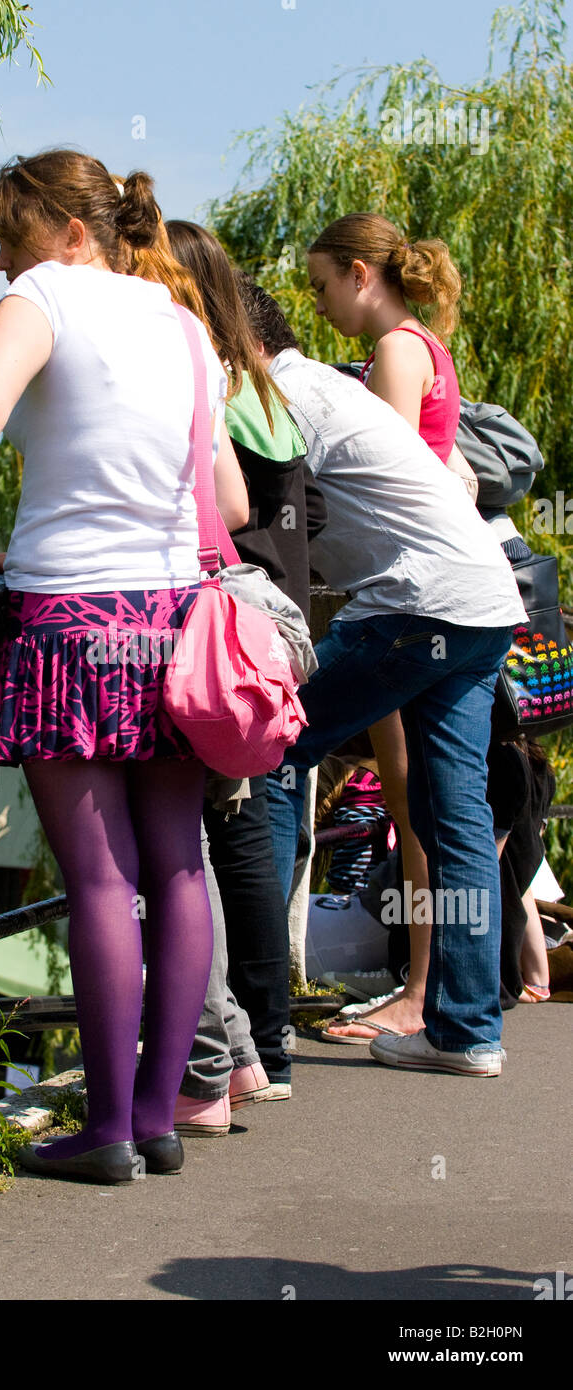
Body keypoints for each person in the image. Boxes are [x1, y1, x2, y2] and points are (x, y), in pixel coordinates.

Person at [0, 149, 250, 1182]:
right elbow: (232, 507)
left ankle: (105, 1129)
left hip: (73, 620)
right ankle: (158, 1118)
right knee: (174, 863)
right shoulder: (183, 321)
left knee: (101, 879)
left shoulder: (44, 294)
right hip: (173, 623)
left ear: (69, 234)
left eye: (8, 236)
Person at [241, 280, 528, 1075]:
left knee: (269, 747)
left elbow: (255, 528)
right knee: (454, 810)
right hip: (480, 597)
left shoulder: (277, 397)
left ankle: (252, 1026)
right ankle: (466, 1032)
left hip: (414, 603)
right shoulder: (332, 383)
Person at [305, 213, 479, 1044]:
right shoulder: (424, 348)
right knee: (435, 806)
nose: (318, 303)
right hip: (440, 597)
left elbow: (382, 464)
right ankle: (450, 1008)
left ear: (361, 272)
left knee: (410, 805)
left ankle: (417, 992)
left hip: (405, 596)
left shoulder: (398, 354)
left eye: (323, 285)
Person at [163, 221, 320, 1133]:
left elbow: (221, 504)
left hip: (221, 614)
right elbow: (313, 509)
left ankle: (241, 1050)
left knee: (229, 833)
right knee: (252, 830)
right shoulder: (267, 387)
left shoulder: (201, 378)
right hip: (273, 624)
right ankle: (266, 1043)